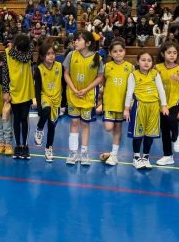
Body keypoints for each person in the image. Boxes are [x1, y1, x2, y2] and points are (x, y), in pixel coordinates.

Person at [64, 31, 105, 165]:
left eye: (78, 39)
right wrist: (74, 89)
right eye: (75, 40)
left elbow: (100, 77)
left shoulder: (97, 58)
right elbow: (66, 74)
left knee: (85, 124)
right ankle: (73, 152)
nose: (75, 42)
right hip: (73, 94)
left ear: (87, 43)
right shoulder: (71, 55)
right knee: (74, 123)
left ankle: (84, 153)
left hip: (88, 95)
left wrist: (86, 89)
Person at [124, 51, 168, 170]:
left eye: (149, 60)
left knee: (150, 134)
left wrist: (164, 105)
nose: (146, 62)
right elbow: (129, 93)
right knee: (138, 134)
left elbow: (161, 90)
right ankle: (136, 158)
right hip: (140, 106)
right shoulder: (133, 75)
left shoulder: (155, 74)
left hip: (154, 107)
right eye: (143, 60)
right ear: (138, 62)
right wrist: (126, 109)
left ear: (152, 63)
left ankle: (146, 157)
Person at [0, 33, 35, 159]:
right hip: (13, 91)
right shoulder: (7, 54)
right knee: (16, 119)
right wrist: (5, 91)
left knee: (25, 119)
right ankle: (18, 145)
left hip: (26, 91)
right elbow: (4, 74)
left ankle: (25, 145)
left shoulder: (27, 52)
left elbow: (25, 56)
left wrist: (13, 48)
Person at [98, 39, 133, 167]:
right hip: (109, 103)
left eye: (120, 51)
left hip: (122, 105)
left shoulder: (130, 67)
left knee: (117, 129)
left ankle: (113, 155)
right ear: (110, 53)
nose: (118, 54)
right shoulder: (107, 67)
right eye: (115, 51)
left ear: (125, 51)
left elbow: (132, 87)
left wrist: (128, 106)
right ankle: (112, 153)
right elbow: (101, 83)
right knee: (108, 128)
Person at [154, 41, 179, 166]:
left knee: (171, 119)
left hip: (175, 101)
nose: (172, 55)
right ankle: (168, 156)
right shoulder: (157, 68)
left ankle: (175, 137)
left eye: (174, 53)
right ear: (163, 54)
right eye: (169, 52)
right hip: (162, 102)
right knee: (164, 130)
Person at [33, 42, 64, 162]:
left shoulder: (59, 66)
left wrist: (64, 102)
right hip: (45, 96)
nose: (51, 56)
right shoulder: (39, 69)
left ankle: (48, 148)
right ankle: (39, 129)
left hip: (57, 98)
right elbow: (37, 88)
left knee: (52, 126)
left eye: (52, 53)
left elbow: (63, 84)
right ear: (42, 56)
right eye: (48, 54)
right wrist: (39, 105)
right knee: (46, 110)